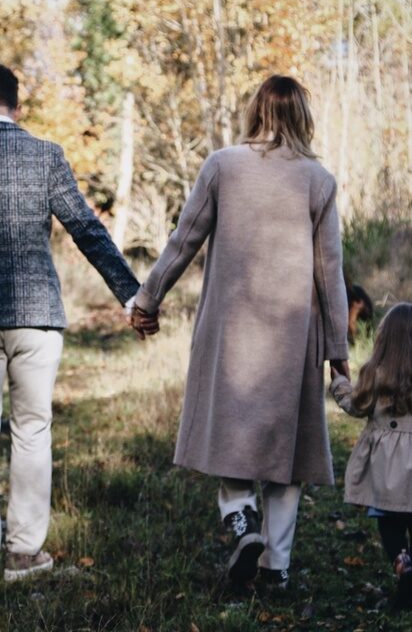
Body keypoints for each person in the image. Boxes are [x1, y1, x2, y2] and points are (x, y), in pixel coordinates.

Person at [130, 75, 349, 587]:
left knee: (228, 435)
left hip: (230, 331)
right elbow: (329, 274)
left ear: (255, 111)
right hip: (294, 336)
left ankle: (241, 518)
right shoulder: (318, 180)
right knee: (287, 456)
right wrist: (338, 351)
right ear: (303, 117)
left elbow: (184, 241)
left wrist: (148, 299)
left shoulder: (223, 166)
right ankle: (276, 567)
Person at [0, 62, 158, 598]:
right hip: (36, 315)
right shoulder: (44, 155)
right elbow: (87, 228)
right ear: (16, 107)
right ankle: (24, 550)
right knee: (32, 430)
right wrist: (133, 295)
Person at [330, 303, 412, 610]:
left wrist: (339, 381)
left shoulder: (376, 377)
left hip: (388, 476)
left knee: (391, 526)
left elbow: (354, 405)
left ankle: (403, 565)